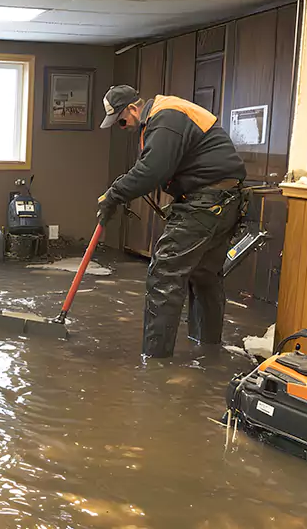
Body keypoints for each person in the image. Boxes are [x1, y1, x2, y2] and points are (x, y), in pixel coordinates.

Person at [97, 85, 247, 359]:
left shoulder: (165, 117)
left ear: (133, 108)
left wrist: (113, 195)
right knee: (204, 276)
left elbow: (152, 170)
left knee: (165, 272)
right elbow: (154, 168)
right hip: (222, 201)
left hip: (206, 203)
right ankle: (208, 351)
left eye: (121, 120)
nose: (122, 127)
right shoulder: (166, 115)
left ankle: (153, 363)